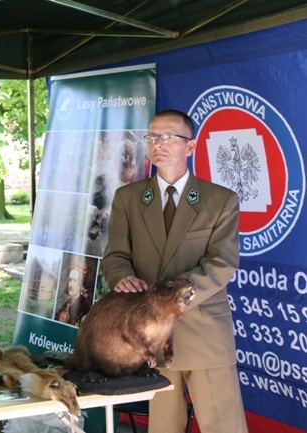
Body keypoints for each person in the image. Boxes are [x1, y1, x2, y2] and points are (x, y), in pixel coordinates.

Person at [101, 109, 248, 433]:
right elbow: (114, 256)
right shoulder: (128, 198)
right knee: (163, 427)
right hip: (150, 335)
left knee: (222, 426)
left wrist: (172, 299)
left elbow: (221, 263)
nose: (158, 144)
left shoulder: (219, 200)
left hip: (203, 329)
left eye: (168, 137)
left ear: (190, 147)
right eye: (152, 137)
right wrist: (121, 276)